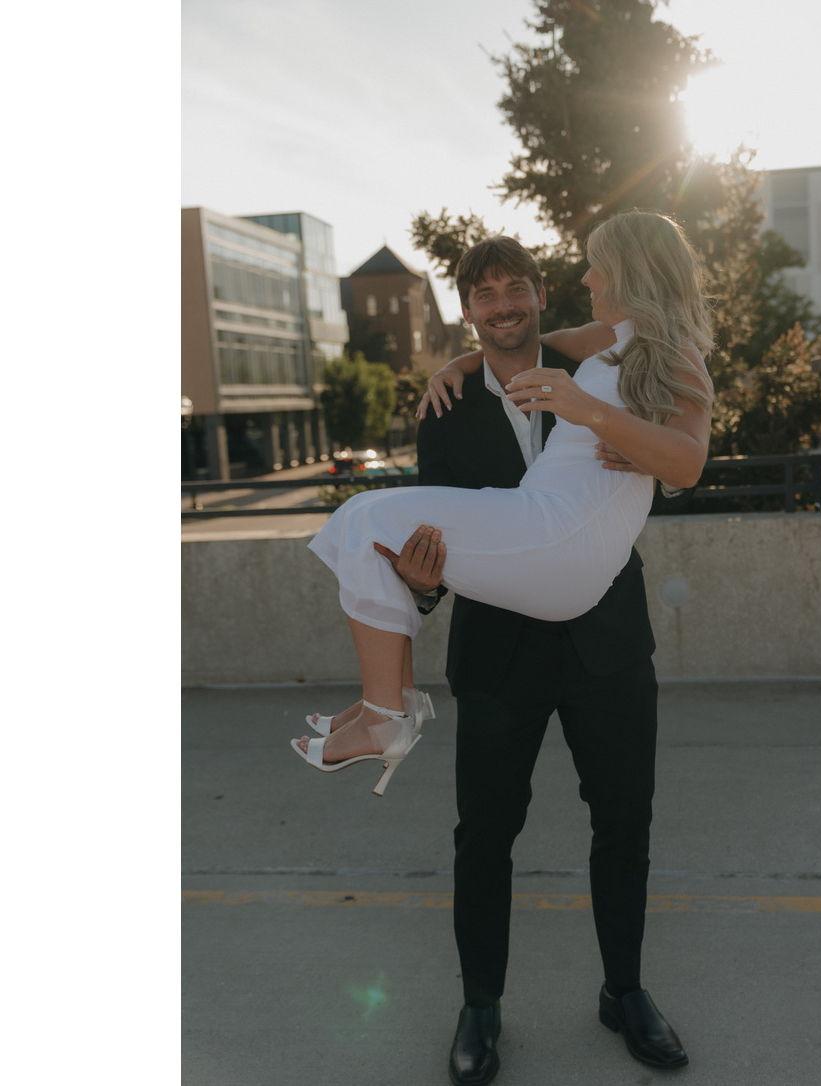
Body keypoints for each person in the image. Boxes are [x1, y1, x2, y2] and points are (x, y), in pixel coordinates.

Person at [293, 212, 713, 1081]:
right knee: (483, 836)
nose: (503, 305)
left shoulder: (612, 359)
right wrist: (419, 584)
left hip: (604, 641)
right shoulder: (447, 407)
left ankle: (626, 992)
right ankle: (480, 1006)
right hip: (498, 652)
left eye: (516, 288)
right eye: (483, 296)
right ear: (469, 311)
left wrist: (589, 409)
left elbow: (680, 458)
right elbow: (444, 549)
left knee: (624, 825)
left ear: (540, 294)